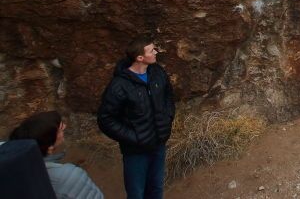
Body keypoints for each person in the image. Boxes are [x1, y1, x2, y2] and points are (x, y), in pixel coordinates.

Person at [97, 37, 175, 199]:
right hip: (136, 151)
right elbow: (106, 119)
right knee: (136, 193)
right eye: (151, 50)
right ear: (140, 58)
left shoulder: (157, 73)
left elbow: (168, 97)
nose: (156, 52)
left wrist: (167, 120)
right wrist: (133, 137)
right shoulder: (119, 85)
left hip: (158, 143)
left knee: (156, 188)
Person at [9, 110, 104, 198]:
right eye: (59, 131)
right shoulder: (69, 177)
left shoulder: (7, 162)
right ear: (49, 148)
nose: (64, 127)